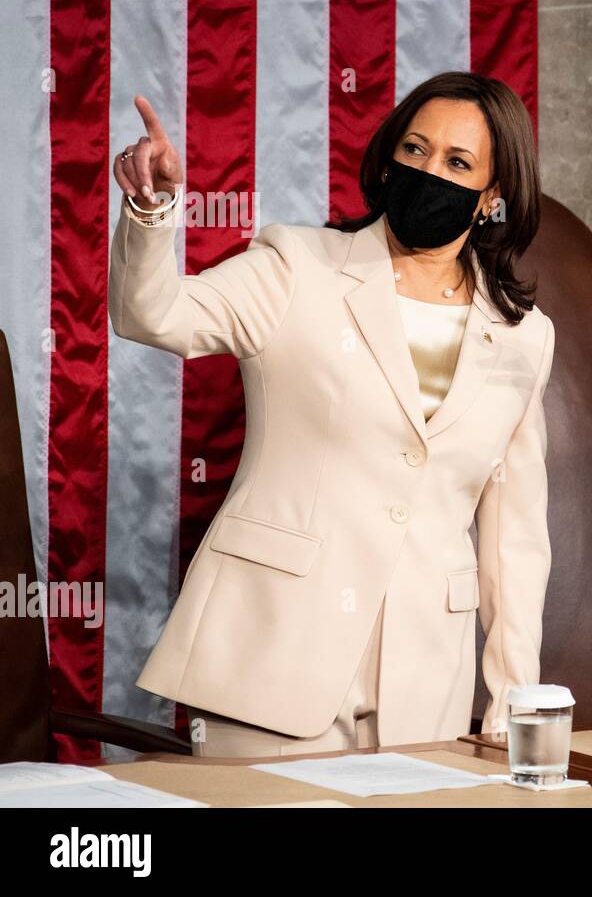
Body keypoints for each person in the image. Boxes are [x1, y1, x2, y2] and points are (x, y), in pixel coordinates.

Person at [108, 73, 554, 757]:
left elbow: (514, 538)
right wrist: (151, 210)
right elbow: (154, 313)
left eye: (458, 163)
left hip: (425, 690)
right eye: (415, 149)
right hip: (269, 663)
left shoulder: (525, 336)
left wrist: (513, 699)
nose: (429, 171)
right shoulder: (295, 266)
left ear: (493, 196)